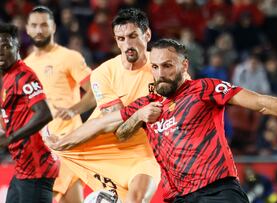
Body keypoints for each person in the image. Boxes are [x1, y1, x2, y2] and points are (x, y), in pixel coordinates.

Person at [48, 39, 277, 203]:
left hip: (218, 191)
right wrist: (62, 143)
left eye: (167, 65)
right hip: (177, 198)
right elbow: (108, 125)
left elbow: (261, 103)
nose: (160, 72)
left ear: (183, 65)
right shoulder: (147, 105)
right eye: (155, 67)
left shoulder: (204, 89)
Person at [46, 8, 161, 203]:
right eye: (121, 38)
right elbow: (115, 125)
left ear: (147, 34)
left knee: (137, 200)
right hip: (99, 147)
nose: (127, 44)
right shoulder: (104, 72)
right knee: (62, 189)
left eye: (133, 36)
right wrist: (140, 115)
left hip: (143, 152)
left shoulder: (163, 69)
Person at [24, 6, 95, 203]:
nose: (39, 30)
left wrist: (74, 109)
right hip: (40, 146)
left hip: (68, 142)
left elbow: (95, 91)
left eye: (44, 25)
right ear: (28, 29)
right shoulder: (25, 66)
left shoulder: (69, 57)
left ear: (53, 27)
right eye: (35, 25)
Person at [0, 23, 59, 203]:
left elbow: (44, 113)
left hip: (37, 169)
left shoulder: (23, 75)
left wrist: (11, 138)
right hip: (22, 169)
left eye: (6, 46)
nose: (1, 51)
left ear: (17, 47)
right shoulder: (9, 76)